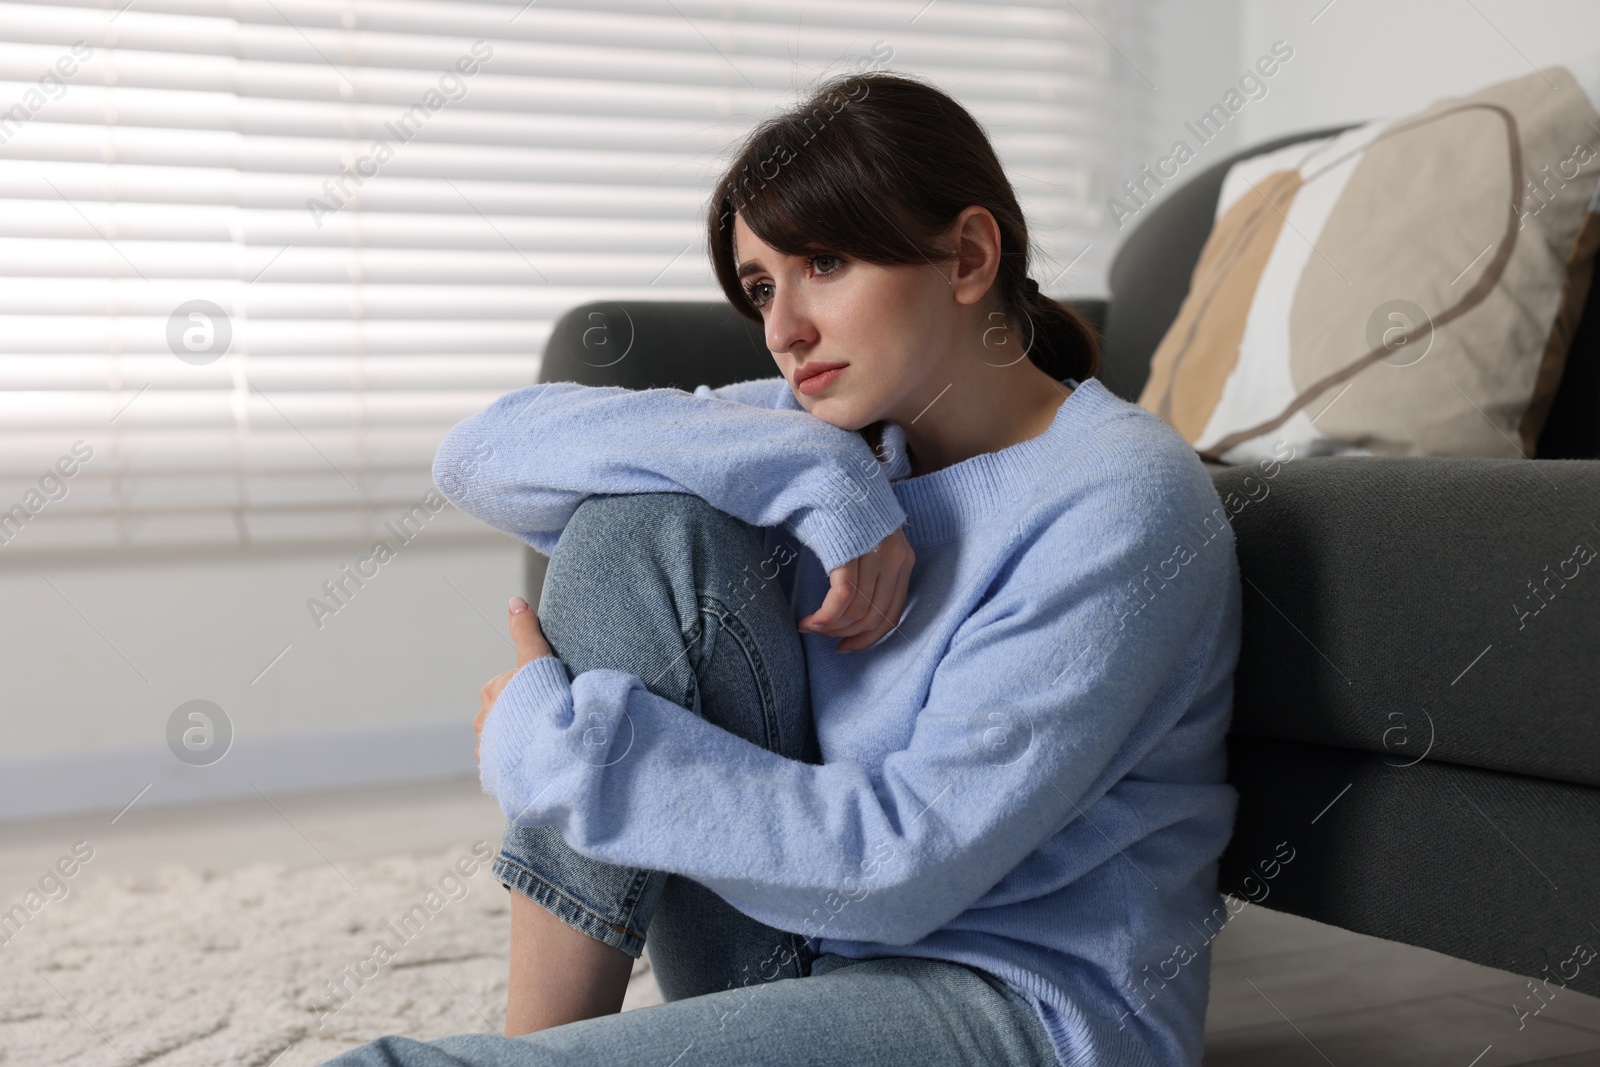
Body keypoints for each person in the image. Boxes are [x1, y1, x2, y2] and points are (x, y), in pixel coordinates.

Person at [322, 69, 1241, 1067]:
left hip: (1013, 1007)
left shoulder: (1118, 494)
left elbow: (903, 863)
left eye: (826, 261)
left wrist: (554, 750)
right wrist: (816, 471)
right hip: (794, 944)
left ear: (970, 254)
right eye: (762, 285)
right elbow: (480, 451)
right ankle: (538, 1043)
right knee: (643, 526)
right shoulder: (827, 434)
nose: (782, 327)